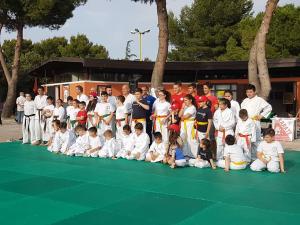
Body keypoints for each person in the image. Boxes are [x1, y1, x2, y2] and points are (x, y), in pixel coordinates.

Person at [241, 84, 272, 159]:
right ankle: (247, 158)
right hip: (245, 122)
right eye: (247, 92)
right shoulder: (245, 101)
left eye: (251, 92)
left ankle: (256, 158)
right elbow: (241, 111)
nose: (249, 93)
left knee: (256, 141)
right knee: (246, 140)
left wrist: (261, 115)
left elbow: (269, 107)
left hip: (255, 121)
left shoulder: (259, 100)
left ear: (254, 92)